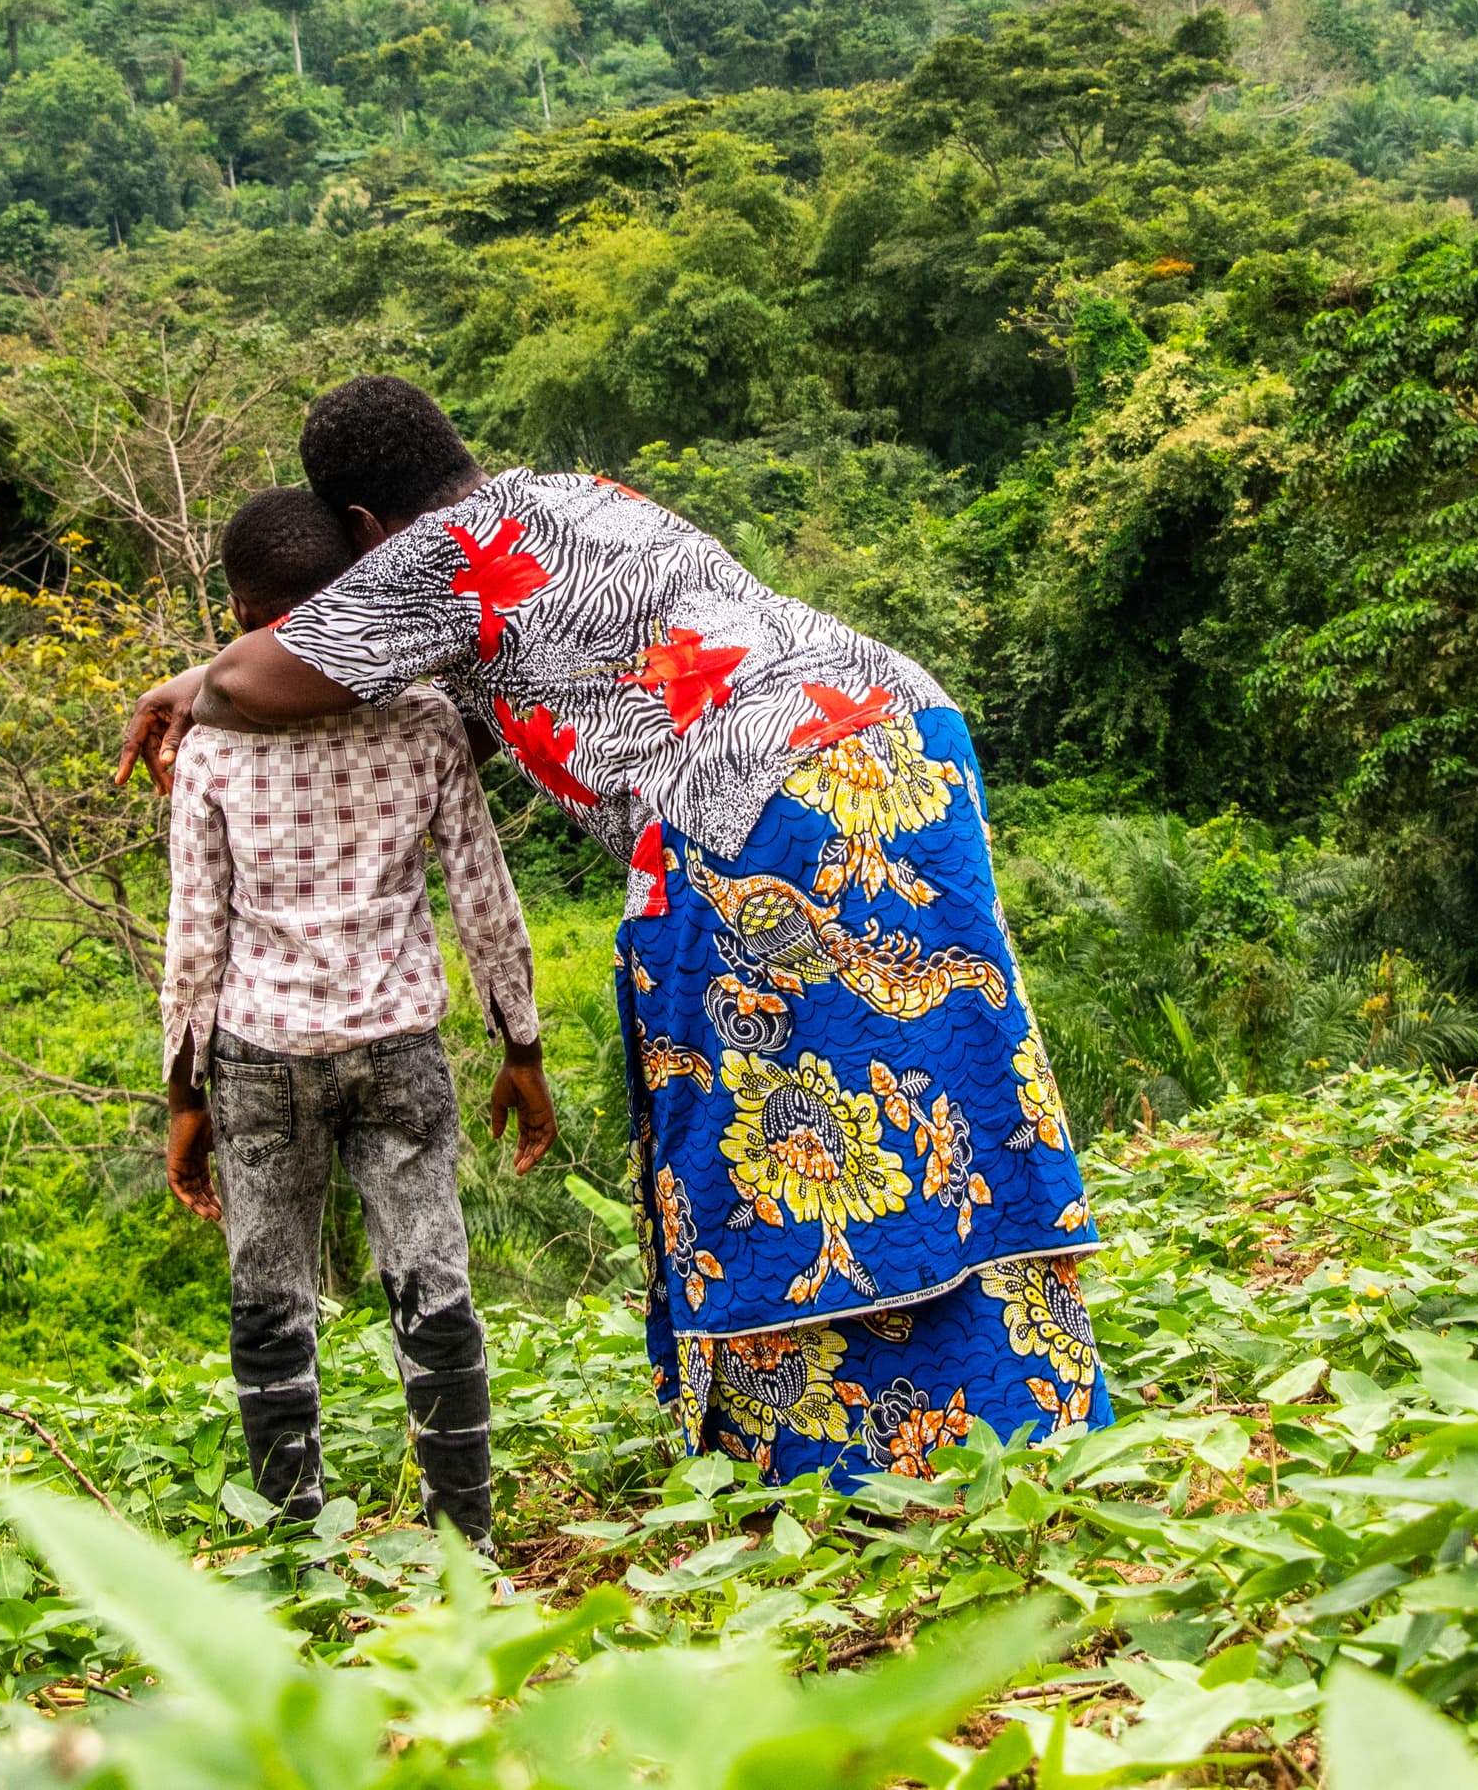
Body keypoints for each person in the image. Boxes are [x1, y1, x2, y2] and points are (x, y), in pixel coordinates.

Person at [127, 378, 1104, 1490]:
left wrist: (181, 685)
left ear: (359, 528)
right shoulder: (576, 494)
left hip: (757, 803)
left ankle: (834, 1462)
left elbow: (257, 681)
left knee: (782, 1142)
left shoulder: (439, 552)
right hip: (905, 736)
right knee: (947, 1099)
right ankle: (1027, 1412)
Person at [155, 483, 557, 1544]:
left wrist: (181, 1097)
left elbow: (195, 939)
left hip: (260, 1056)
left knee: (269, 1300)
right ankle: (463, 1540)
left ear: (244, 617)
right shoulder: (424, 725)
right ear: (356, 601)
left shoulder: (211, 747)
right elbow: (486, 901)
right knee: (434, 1287)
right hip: (399, 1048)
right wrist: (521, 1043)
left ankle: (295, 1541)